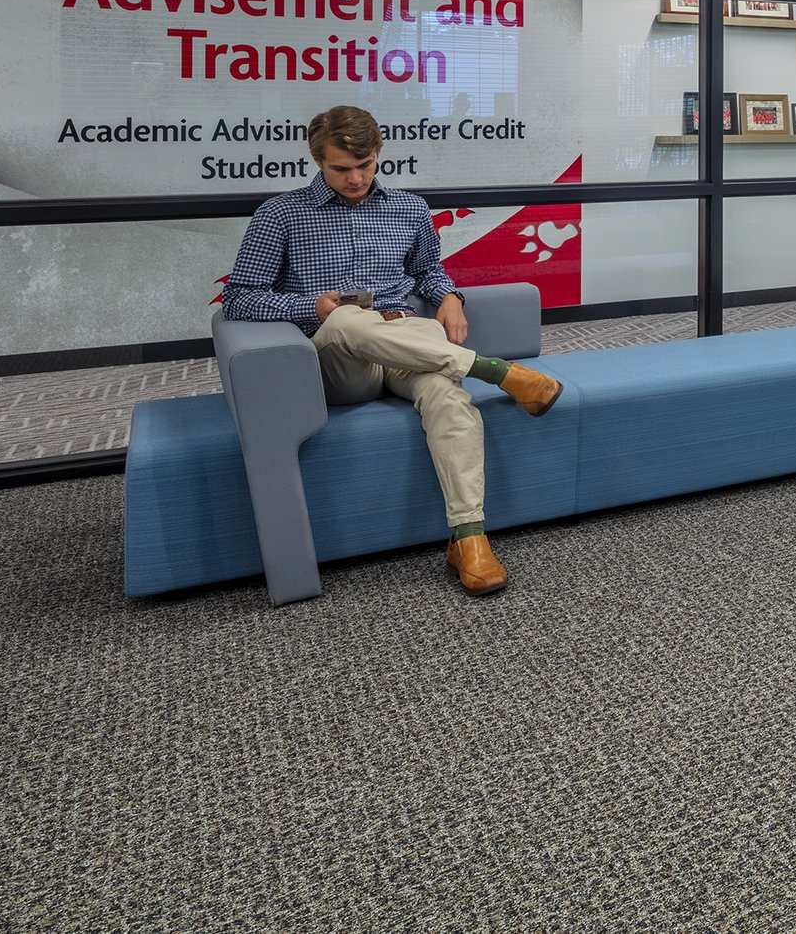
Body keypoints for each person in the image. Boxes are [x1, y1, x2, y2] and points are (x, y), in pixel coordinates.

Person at [223, 106, 562, 596]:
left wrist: (449, 296)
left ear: (379, 153)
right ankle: (494, 370)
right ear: (317, 159)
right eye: (341, 168)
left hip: (404, 341)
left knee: (450, 400)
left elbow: (429, 272)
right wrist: (309, 307)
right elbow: (239, 297)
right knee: (345, 319)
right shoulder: (280, 215)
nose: (356, 177)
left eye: (365, 164)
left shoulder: (409, 208)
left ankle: (469, 539)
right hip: (340, 360)